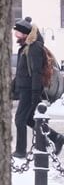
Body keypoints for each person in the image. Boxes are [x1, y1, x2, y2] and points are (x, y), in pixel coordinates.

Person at [12, 17, 64, 158]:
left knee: (20, 119)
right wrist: (13, 89)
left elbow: (36, 72)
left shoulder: (34, 48)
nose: (15, 34)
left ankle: (21, 150)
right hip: (25, 90)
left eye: (17, 32)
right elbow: (22, 72)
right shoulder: (25, 47)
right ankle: (56, 138)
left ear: (25, 33)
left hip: (30, 90)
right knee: (29, 119)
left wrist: (35, 94)